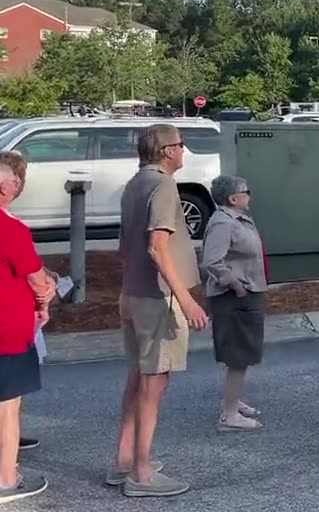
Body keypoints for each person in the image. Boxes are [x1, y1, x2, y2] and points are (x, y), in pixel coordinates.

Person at [112, 124, 208, 497]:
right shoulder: (164, 185)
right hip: (158, 299)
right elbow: (157, 247)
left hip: (133, 293)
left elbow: (124, 248)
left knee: (138, 378)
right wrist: (185, 298)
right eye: (181, 145)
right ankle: (142, 473)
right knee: (155, 382)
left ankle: (125, 460)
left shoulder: (135, 183)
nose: (184, 151)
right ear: (168, 150)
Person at [0, 156, 53, 504]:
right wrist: (45, 295)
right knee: (7, 405)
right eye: (15, 181)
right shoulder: (11, 228)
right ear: (8, 187)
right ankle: (6, 478)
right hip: (6, 328)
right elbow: (35, 276)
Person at [201, 175, 267, 432]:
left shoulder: (237, 220)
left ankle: (233, 400)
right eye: (245, 191)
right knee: (238, 355)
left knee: (244, 353)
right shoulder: (224, 223)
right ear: (233, 198)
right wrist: (236, 285)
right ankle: (230, 415)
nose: (249, 195)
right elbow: (211, 261)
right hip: (234, 297)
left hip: (246, 294)